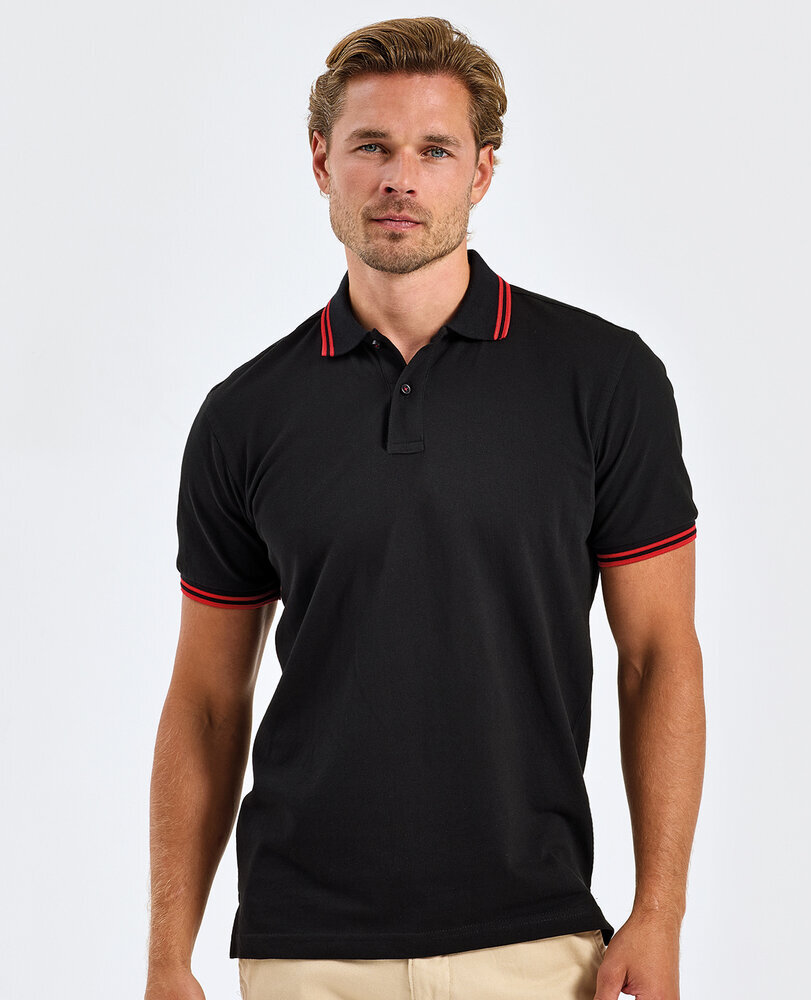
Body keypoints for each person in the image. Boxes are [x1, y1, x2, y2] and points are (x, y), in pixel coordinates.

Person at [145, 16, 705, 1000]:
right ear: (321, 162)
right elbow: (205, 700)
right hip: (302, 949)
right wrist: (165, 957)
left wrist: (659, 911)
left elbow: (657, 654)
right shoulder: (246, 415)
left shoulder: (601, 379)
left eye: (434, 150)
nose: (399, 178)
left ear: (480, 172)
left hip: (534, 939)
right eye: (371, 146)